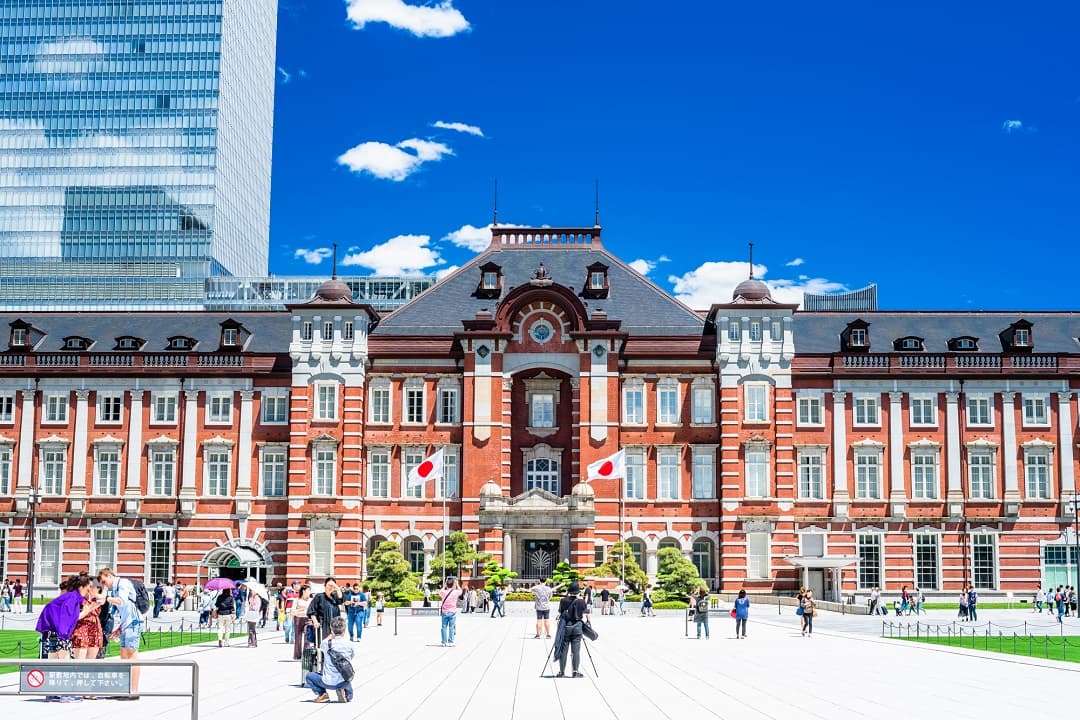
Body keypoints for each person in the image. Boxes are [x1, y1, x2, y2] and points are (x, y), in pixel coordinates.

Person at [37, 573, 98, 703]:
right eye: (89, 586)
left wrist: (87, 610)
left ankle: (51, 694)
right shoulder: (73, 598)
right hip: (60, 631)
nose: (90, 589)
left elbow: (70, 616)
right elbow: (67, 618)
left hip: (51, 630)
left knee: (53, 663)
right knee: (64, 662)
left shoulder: (71, 596)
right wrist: (64, 637)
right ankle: (64, 694)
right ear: (82, 586)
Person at [98, 568, 145, 699]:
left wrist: (106, 598)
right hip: (127, 624)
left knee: (132, 656)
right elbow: (124, 610)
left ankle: (133, 691)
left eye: (103, 580)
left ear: (109, 575)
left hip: (134, 623)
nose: (103, 584)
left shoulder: (123, 583)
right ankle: (126, 689)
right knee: (124, 656)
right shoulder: (116, 588)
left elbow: (122, 601)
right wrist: (119, 628)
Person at [305, 616, 355, 703]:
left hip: (327, 681)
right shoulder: (349, 644)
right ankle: (346, 695)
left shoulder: (325, 643)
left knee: (309, 676)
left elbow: (321, 646)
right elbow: (351, 657)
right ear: (344, 630)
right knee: (347, 679)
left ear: (331, 629)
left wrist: (330, 636)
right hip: (343, 680)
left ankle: (322, 694)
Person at [554, 581, 588, 678]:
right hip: (577, 626)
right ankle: (575, 671)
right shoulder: (581, 601)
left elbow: (560, 612)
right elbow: (585, 613)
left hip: (566, 627)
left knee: (563, 650)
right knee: (576, 650)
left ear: (569, 591)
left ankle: (561, 672)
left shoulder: (563, 600)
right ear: (578, 591)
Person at [71, 579, 105, 661]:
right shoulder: (79, 598)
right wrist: (90, 608)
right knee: (80, 659)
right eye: (95, 588)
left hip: (95, 630)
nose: (97, 592)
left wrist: (96, 596)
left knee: (91, 661)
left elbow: (104, 598)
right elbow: (76, 616)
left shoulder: (96, 600)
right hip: (82, 630)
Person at [306, 579, 345, 647]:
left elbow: (341, 598)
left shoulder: (335, 597)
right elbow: (312, 610)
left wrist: (337, 587)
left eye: (332, 585)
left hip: (335, 626)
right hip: (322, 625)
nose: (331, 587)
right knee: (322, 644)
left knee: (334, 645)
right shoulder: (319, 596)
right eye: (329, 585)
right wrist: (315, 622)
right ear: (325, 585)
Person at [439, 577, 463, 647]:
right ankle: (451, 642)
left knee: (444, 627)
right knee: (451, 627)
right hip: (452, 612)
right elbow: (460, 591)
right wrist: (457, 584)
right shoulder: (455, 592)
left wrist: (445, 585)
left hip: (444, 612)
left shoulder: (443, 592)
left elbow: (440, 591)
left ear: (447, 584)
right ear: (453, 584)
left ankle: (444, 642)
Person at [292, 584, 312, 660]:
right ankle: (297, 655)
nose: (309, 592)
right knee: (298, 638)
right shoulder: (297, 600)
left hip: (308, 619)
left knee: (307, 638)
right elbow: (292, 611)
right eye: (308, 590)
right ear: (303, 591)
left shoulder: (311, 600)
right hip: (298, 619)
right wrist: (301, 609)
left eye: (310, 591)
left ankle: (306, 655)